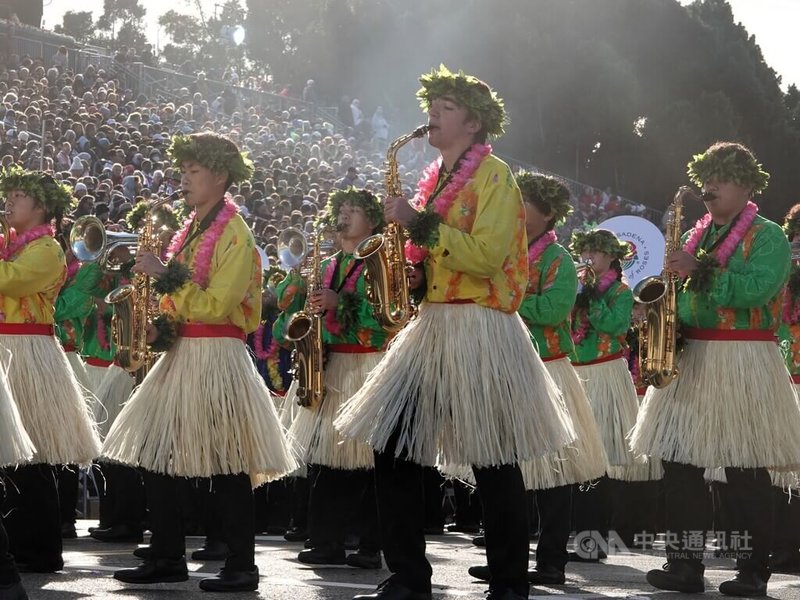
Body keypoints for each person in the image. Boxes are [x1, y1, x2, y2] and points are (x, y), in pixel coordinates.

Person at [335, 65, 575, 600]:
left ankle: (511, 581)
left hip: (481, 325)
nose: (431, 116)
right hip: (434, 323)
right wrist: (416, 275)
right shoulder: (439, 178)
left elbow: (489, 257)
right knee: (393, 445)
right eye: (432, 106)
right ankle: (408, 575)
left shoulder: (496, 177)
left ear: (473, 123)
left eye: (443, 108)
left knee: (494, 458)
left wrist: (418, 223)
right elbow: (446, 253)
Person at [102, 132, 296, 593]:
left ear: (220, 176)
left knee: (229, 462)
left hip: (217, 354)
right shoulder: (192, 228)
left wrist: (164, 275)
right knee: (158, 453)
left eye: (193, 172)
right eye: (182, 171)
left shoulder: (236, 232)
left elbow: (215, 305)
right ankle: (167, 555)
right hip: (184, 351)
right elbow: (187, 306)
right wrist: (159, 329)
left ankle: (241, 565)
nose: (183, 180)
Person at [630, 141, 800, 597]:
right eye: (706, 178)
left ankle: (752, 572)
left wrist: (696, 268)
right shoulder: (697, 233)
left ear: (745, 185)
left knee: (745, 467)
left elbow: (759, 290)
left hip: (744, 357)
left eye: (720, 179)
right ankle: (684, 565)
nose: (709, 188)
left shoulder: (768, 235)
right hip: (693, 357)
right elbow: (682, 291)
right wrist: (659, 309)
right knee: (679, 463)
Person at [467, 172, 607, 586]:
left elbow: (551, 309)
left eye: (524, 202)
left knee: (553, 474)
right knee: (505, 469)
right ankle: (504, 560)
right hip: (504, 363)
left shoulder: (558, 259)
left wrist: (502, 296)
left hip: (546, 367)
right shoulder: (501, 248)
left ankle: (550, 562)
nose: (515, 207)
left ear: (546, 215)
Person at [276, 188, 389, 569]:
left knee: (372, 462)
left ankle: (372, 545)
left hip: (370, 364)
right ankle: (324, 541)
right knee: (325, 459)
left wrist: (340, 303)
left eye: (353, 210)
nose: (344, 216)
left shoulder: (381, 260)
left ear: (372, 220)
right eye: (341, 209)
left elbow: (388, 316)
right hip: (335, 365)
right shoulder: (328, 265)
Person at [0, 167, 101, 574]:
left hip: (26, 351)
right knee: (11, 455)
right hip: (9, 347)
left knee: (32, 455)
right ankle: (18, 546)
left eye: (18, 195)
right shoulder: (11, 244)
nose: (8, 201)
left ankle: (40, 550)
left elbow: (10, 281)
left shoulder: (48, 250)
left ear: (41, 207)